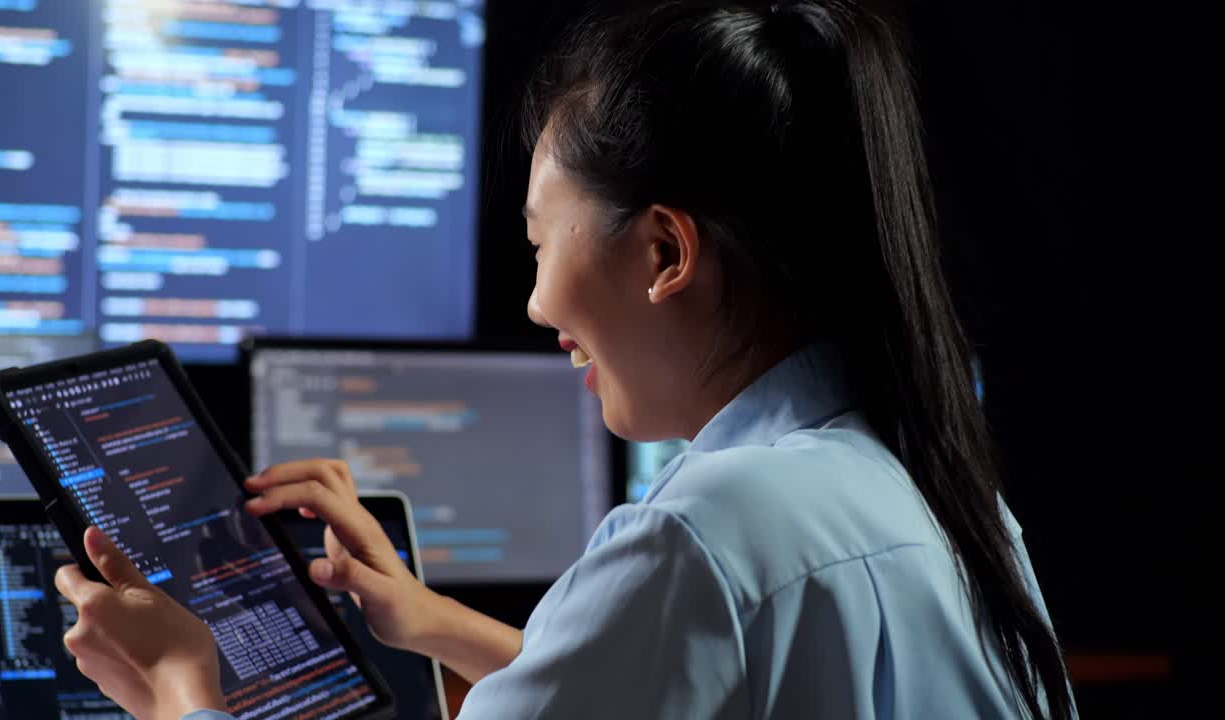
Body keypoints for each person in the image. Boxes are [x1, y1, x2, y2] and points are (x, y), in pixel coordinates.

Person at [52, 1, 1076, 718]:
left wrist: (180, 691)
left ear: (665, 252)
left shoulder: (702, 538)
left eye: (542, 246)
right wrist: (431, 622)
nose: (538, 303)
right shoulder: (941, 499)